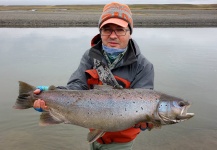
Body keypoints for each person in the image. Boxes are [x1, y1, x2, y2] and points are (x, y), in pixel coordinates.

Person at [34, 2, 154, 150]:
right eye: (107, 30)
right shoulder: (90, 56)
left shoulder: (144, 67)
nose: (113, 36)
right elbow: (77, 86)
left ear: (129, 33)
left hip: (121, 142)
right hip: (94, 134)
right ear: (100, 32)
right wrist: (51, 94)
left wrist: (147, 121)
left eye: (120, 30)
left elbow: (146, 106)